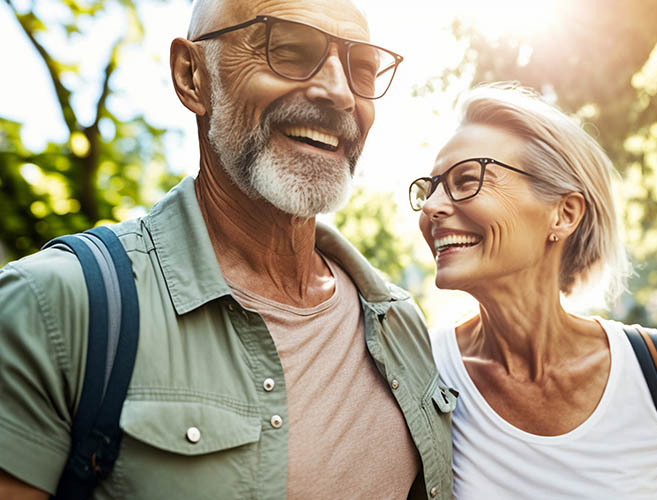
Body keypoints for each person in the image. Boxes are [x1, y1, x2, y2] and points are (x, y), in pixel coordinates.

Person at [0, 0, 454, 498]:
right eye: (287, 50)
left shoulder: (403, 327)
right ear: (192, 76)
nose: (338, 92)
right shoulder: (55, 307)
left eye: (361, 69)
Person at [408, 83, 657, 499]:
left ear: (564, 213)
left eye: (466, 179)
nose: (433, 206)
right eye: (429, 188)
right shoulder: (421, 374)